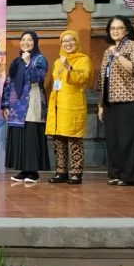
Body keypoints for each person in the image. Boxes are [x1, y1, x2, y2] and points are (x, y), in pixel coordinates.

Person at [97, 16, 134, 186]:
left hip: (129, 99)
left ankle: (129, 177)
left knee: (127, 139)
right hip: (110, 100)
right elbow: (103, 79)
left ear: (127, 29)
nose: (115, 31)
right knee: (113, 140)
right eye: (112, 28)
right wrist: (100, 105)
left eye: (119, 28)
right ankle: (116, 174)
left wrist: (117, 54)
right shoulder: (107, 51)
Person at [1, 31, 50, 183]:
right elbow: (8, 83)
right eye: (23, 40)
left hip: (32, 101)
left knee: (31, 134)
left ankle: (33, 172)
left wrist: (28, 63)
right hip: (16, 104)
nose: (26, 42)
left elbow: (37, 78)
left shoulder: (39, 59)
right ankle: (23, 170)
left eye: (30, 40)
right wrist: (5, 104)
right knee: (19, 136)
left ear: (35, 42)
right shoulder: (16, 61)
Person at [46, 30, 93, 185]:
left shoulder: (83, 59)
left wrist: (69, 67)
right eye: (64, 41)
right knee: (58, 139)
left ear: (77, 42)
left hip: (73, 105)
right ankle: (61, 172)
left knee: (74, 138)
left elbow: (82, 78)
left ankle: (76, 173)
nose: (68, 44)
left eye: (71, 40)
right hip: (57, 105)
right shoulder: (57, 62)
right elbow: (54, 83)